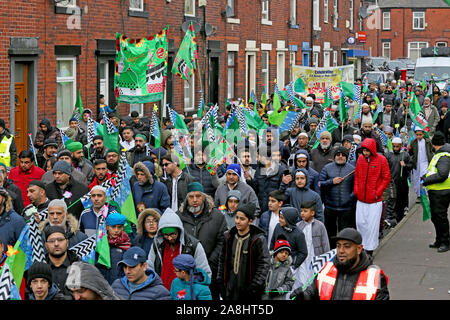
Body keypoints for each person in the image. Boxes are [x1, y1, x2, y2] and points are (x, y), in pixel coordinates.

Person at [290, 228, 389, 300]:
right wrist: (302, 296)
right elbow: (311, 293)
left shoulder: (375, 277)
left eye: (347, 246)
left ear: (359, 249)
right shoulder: (327, 269)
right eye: (338, 246)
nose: (341, 251)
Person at [177, 182, 227, 300]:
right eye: (191, 196)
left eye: (198, 196)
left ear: (204, 197)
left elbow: (222, 241)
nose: (195, 200)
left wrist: (209, 262)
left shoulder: (217, 216)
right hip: (184, 272)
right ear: (186, 198)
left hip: (210, 271)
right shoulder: (178, 216)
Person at [147, 208, 211, 291]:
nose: (169, 238)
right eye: (166, 235)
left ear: (179, 231)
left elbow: (205, 274)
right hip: (162, 293)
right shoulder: (157, 244)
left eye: (173, 234)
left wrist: (190, 290)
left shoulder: (193, 245)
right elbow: (150, 269)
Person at [217, 202, 270, 300]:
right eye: (237, 218)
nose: (237, 221)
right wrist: (221, 283)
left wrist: (254, 286)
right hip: (230, 289)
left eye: (242, 219)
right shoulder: (228, 236)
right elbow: (222, 260)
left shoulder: (257, 239)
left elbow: (264, 264)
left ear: (250, 221)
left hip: (249, 291)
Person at [354, 138, 391, 255]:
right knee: (360, 223)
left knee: (372, 226)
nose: (364, 153)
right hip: (361, 199)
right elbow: (357, 175)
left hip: (374, 200)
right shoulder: (360, 159)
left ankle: (369, 249)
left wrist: (377, 192)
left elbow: (386, 177)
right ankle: (361, 247)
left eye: (367, 150)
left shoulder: (381, 160)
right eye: (363, 150)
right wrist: (357, 190)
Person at [318, 146, 356, 244]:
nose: (340, 157)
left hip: (346, 209)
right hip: (330, 207)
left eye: (343, 155)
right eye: (338, 155)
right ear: (334, 156)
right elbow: (319, 184)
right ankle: (331, 252)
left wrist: (350, 198)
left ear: (346, 157)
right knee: (330, 233)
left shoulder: (352, 169)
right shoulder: (327, 168)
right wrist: (331, 181)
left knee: (345, 235)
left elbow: (356, 187)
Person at [422, 132, 450, 253]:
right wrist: (426, 176)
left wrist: (426, 180)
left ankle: (445, 242)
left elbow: (442, 174)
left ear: (435, 144)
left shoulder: (443, 155)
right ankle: (439, 240)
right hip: (437, 191)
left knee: (440, 217)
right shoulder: (440, 154)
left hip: (441, 191)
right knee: (436, 217)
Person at [296, 201, 330, 289]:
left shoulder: (320, 226)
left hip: (315, 259)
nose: (302, 213)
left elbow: (325, 245)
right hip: (302, 261)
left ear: (312, 213)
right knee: (301, 281)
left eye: (305, 211)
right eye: (301, 211)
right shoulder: (298, 226)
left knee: (314, 282)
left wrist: (326, 262)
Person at [44, 225, 81, 296]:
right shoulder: (40, 269)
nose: (56, 244)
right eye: (52, 241)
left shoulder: (80, 267)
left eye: (60, 240)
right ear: (46, 245)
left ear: (67, 243)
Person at [97, 212, 131, 285]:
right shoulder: (100, 244)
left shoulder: (127, 244)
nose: (116, 230)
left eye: (119, 227)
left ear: (123, 227)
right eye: (113, 227)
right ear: (107, 227)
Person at [269, 206, 307, 272]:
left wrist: (294, 266)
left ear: (289, 219)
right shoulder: (278, 227)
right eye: (279, 217)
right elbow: (273, 242)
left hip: (289, 266)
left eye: (282, 218)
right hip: (276, 264)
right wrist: (272, 256)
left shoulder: (299, 234)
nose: (279, 220)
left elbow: (303, 253)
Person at [250, 145, 285, 213]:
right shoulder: (259, 170)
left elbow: (283, 192)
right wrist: (249, 180)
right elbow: (255, 189)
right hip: (261, 208)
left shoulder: (281, 170)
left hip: (275, 209)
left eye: (258, 156)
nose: (257, 159)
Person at [386, 137, 413, 222]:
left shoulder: (405, 154)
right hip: (392, 181)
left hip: (402, 181)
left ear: (401, 146)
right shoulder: (388, 155)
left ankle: (401, 215)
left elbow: (411, 166)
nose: (395, 149)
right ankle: (392, 217)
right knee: (392, 199)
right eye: (394, 146)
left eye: (397, 147)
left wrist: (405, 165)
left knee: (401, 198)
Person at [408, 128, 434, 201]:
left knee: (424, 178)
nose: (419, 136)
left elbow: (432, 150)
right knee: (416, 179)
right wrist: (409, 148)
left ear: (423, 134)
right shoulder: (413, 142)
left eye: (420, 135)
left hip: (425, 162)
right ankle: (419, 195)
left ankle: (426, 194)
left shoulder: (427, 141)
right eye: (417, 135)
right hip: (416, 164)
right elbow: (411, 153)